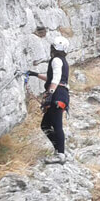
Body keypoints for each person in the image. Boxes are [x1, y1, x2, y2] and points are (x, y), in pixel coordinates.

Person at [27, 36, 71, 164]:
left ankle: (60, 154)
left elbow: (55, 79)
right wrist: (34, 74)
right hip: (61, 93)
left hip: (57, 94)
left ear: (54, 48)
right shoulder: (61, 60)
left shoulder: (56, 60)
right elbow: (52, 78)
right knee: (45, 125)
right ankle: (58, 150)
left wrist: (50, 93)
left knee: (56, 125)